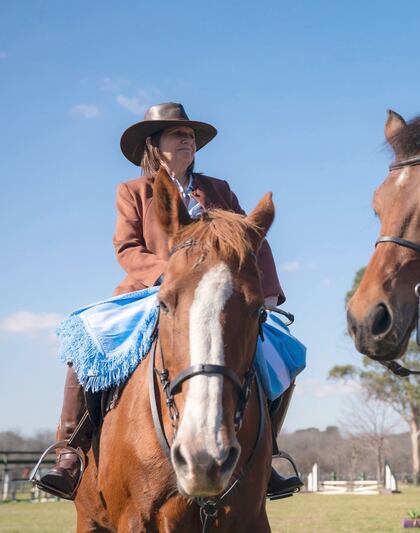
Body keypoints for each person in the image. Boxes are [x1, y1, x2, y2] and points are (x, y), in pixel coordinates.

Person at [38, 102, 303, 500]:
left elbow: (251, 239)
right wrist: (173, 277)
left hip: (217, 295)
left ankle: (266, 457)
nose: (187, 138)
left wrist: (266, 292)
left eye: (190, 134)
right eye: (177, 133)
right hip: (152, 291)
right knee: (84, 340)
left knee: (285, 351)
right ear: (153, 145)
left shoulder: (219, 190)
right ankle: (70, 451)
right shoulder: (133, 191)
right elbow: (127, 247)